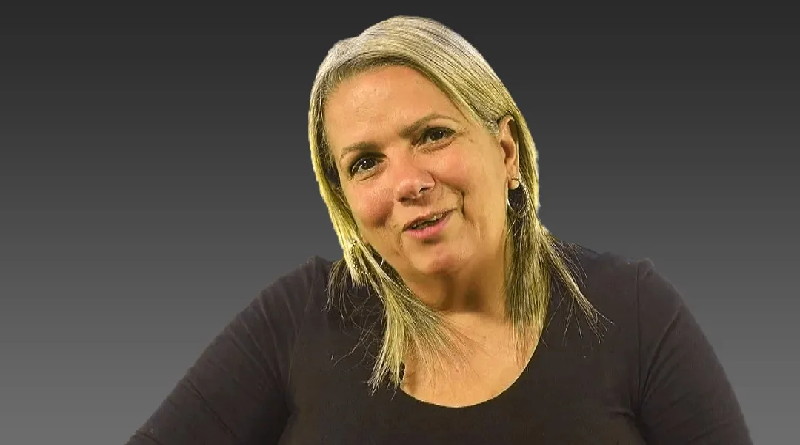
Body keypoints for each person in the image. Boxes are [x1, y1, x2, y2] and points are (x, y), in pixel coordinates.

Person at [125, 16, 752, 444]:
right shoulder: (295, 319)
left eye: (432, 135)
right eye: (365, 163)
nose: (408, 181)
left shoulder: (631, 311)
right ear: (345, 198)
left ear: (505, 150)